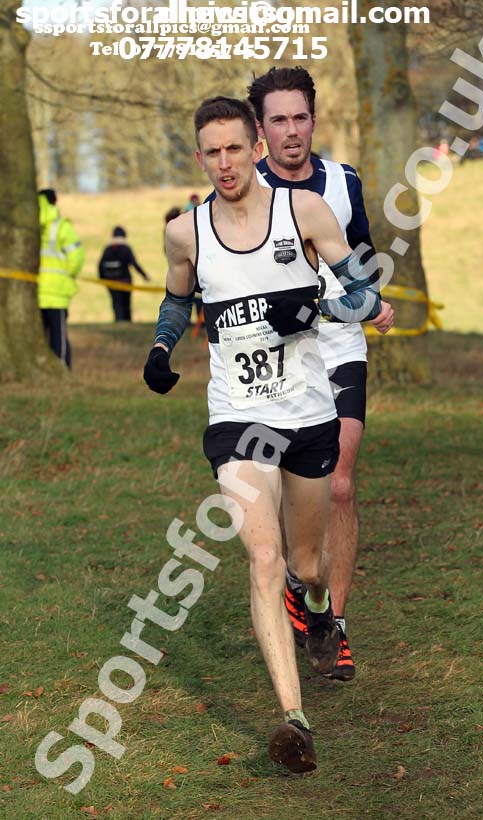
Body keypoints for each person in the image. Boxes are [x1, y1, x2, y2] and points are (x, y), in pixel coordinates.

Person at [143, 97, 392, 773]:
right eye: (210, 152)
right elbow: (175, 297)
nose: (224, 163)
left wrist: (314, 305)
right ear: (199, 159)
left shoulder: (304, 212)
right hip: (238, 416)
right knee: (259, 556)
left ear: (254, 148)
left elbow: (365, 297)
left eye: (233, 149)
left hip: (307, 413)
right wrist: (162, 349)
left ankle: (316, 607)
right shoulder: (184, 232)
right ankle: (293, 718)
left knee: (305, 564)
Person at [247, 67, 394, 681]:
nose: (291, 131)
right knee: (286, 489)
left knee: (337, 483)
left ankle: (333, 625)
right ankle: (296, 575)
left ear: (314, 118)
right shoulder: (240, 188)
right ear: (260, 129)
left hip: (336, 342)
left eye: (300, 117)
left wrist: (373, 298)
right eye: (277, 120)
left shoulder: (343, 181)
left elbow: (358, 253)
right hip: (275, 353)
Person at [38, 188, 84, 368]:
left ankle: (44, 367)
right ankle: (63, 368)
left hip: (34, 291)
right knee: (59, 336)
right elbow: (76, 257)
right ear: (55, 202)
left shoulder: (29, 225)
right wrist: (69, 274)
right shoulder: (61, 226)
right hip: (56, 292)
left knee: (40, 335)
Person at [98, 226, 150, 322]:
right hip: (125, 281)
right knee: (126, 304)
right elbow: (134, 263)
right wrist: (144, 275)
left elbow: (100, 265)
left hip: (111, 282)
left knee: (116, 303)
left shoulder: (108, 249)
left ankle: (118, 321)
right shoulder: (126, 248)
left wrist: (103, 280)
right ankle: (127, 323)